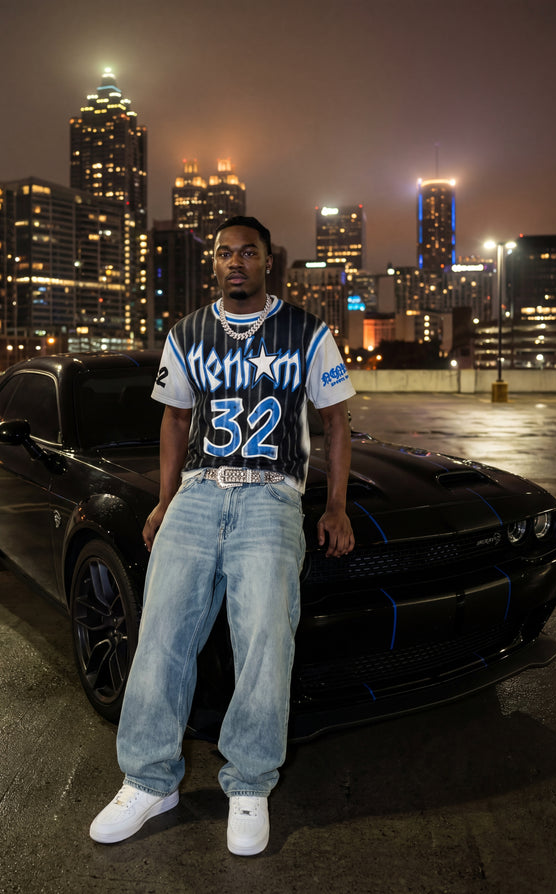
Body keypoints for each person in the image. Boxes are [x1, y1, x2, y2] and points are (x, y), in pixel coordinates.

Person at [90, 216, 355, 856]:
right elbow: (175, 420)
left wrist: (337, 504)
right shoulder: (187, 333)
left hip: (272, 493)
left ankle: (249, 783)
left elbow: (338, 422)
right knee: (162, 627)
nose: (236, 262)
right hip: (201, 489)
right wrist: (165, 500)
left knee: (264, 632)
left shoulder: (308, 332)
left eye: (249, 252)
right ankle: (150, 780)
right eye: (225, 253)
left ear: (269, 262)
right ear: (214, 264)